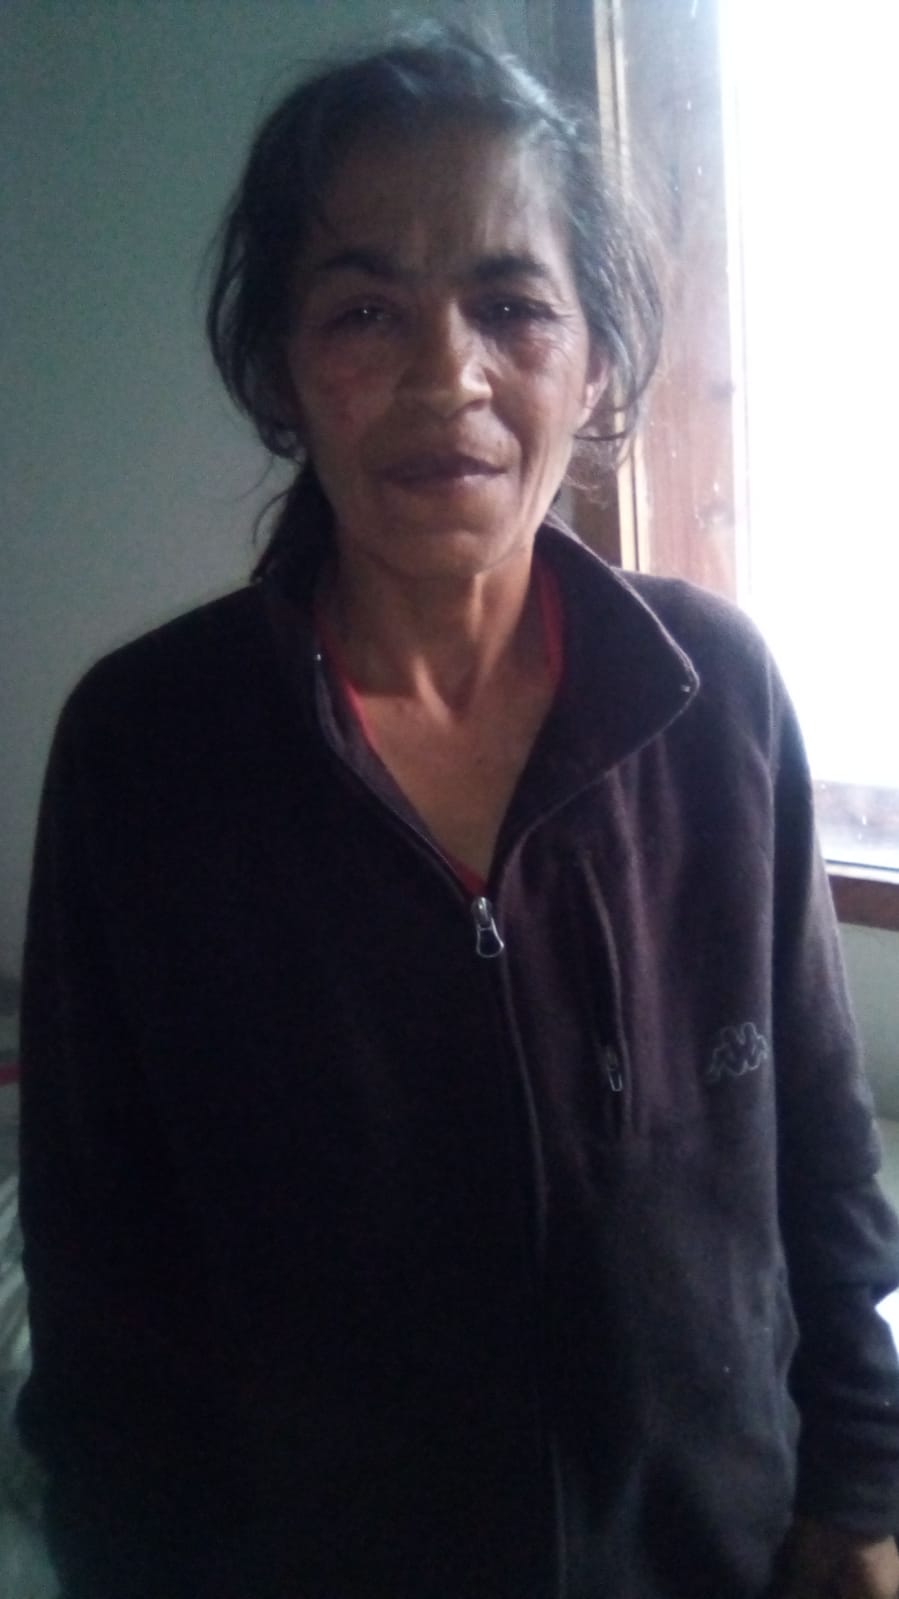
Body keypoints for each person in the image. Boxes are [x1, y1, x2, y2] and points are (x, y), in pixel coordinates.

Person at [15, 24, 899, 1599]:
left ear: (596, 360)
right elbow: (100, 1276)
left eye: (512, 305)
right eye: (365, 310)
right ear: (282, 369)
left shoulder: (716, 694)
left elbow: (823, 1157)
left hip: (714, 1556)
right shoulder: (145, 752)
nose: (448, 377)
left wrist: (861, 1489)